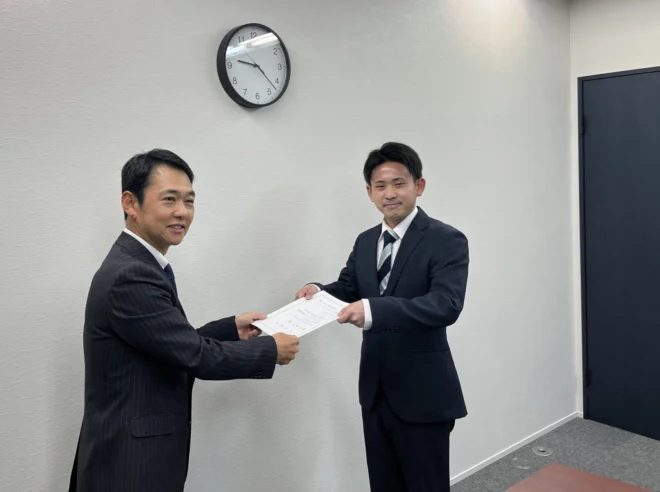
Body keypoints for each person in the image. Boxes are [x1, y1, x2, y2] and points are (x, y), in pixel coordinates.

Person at [69, 149, 299, 492]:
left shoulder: (137, 264)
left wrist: (230, 329)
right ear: (131, 203)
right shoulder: (131, 274)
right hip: (129, 464)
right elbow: (196, 356)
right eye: (169, 199)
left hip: (131, 455)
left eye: (189, 201)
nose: (182, 212)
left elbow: (168, 343)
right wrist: (271, 350)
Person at [296, 142, 468, 492]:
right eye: (380, 186)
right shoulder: (366, 241)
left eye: (399, 183)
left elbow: (445, 304)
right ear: (370, 193)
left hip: (424, 392)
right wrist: (318, 291)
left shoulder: (446, 239)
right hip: (375, 390)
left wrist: (374, 309)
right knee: (384, 484)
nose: (390, 193)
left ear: (419, 186)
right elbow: (349, 287)